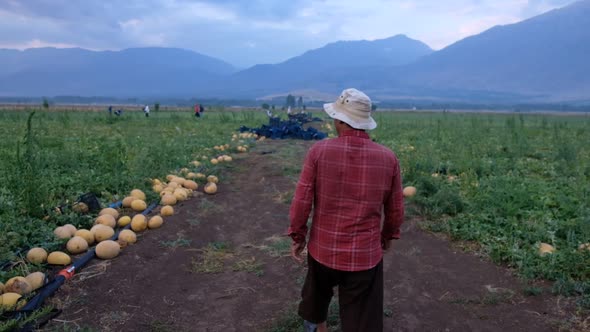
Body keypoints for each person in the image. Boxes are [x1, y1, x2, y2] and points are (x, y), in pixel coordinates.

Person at [287, 88, 404, 332]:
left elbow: (301, 202)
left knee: (317, 296)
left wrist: (298, 236)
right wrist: (387, 237)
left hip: (323, 250)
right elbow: (395, 210)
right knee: (361, 316)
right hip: (365, 256)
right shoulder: (388, 158)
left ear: (340, 120)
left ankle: (319, 329)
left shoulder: (319, 152)